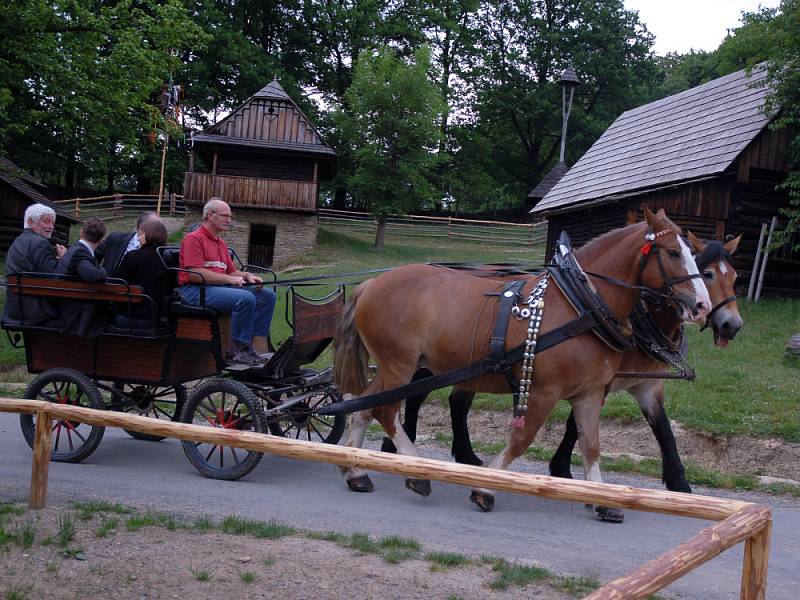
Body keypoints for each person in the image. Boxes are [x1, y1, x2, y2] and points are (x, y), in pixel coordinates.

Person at [178, 197, 276, 365]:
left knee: (267, 296)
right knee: (245, 298)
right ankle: (237, 351)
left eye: (230, 216)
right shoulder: (194, 239)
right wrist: (231, 280)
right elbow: (194, 274)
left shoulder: (220, 243)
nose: (229, 220)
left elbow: (231, 271)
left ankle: (256, 346)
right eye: (225, 216)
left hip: (217, 288)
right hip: (195, 290)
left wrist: (247, 277)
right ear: (210, 215)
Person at [2, 203, 67, 326]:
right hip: (36, 311)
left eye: (53, 223)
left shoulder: (19, 240)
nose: (51, 227)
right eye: (47, 222)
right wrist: (64, 259)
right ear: (31, 222)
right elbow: (56, 278)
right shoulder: (40, 243)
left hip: (16, 310)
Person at [114, 217, 170, 328]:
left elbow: (118, 284)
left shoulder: (132, 256)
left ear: (148, 235)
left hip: (128, 316)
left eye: (141, 234)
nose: (139, 238)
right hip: (156, 318)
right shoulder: (168, 258)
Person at [58, 217, 109, 336]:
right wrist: (102, 269)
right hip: (74, 314)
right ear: (101, 240)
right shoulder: (81, 253)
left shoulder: (74, 249)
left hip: (66, 306)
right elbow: (93, 275)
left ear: (81, 233)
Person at [96, 211, 159, 277]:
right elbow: (93, 257)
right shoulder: (115, 239)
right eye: (156, 228)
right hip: (110, 284)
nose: (159, 231)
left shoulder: (158, 249)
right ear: (142, 228)